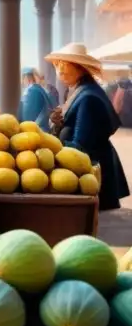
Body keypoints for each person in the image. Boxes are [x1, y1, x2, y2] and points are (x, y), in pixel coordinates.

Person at [46, 43, 130, 211]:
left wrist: (47, 146)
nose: (60, 72)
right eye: (58, 66)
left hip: (92, 175)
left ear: (80, 68)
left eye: (65, 66)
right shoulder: (79, 90)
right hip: (88, 172)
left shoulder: (87, 97)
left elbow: (81, 145)